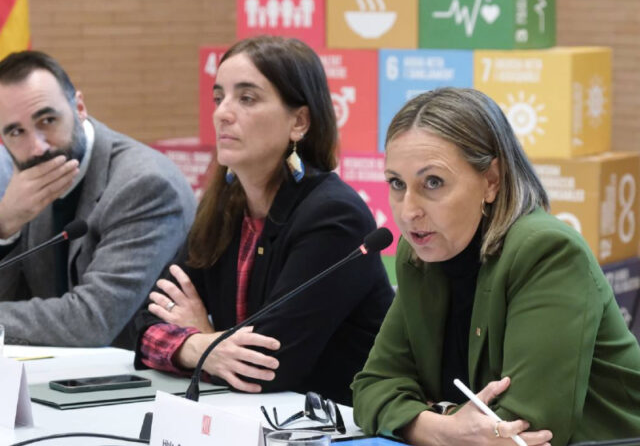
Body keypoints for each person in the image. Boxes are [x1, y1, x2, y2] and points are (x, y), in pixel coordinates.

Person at [352, 88, 640, 445]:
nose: (408, 211)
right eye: (397, 183)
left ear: (491, 181)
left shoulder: (547, 252)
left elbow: (527, 427)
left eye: (433, 182)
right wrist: (443, 429)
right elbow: (371, 387)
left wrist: (425, 415)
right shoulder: (420, 255)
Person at [134, 35, 394, 406]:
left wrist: (199, 339)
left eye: (247, 98)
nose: (222, 113)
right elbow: (145, 325)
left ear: (299, 122)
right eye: (219, 97)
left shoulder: (335, 217)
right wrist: (204, 345)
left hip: (336, 423)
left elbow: (266, 367)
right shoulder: (224, 206)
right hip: (250, 416)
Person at [0, 51, 196, 348]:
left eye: (48, 120)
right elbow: (13, 300)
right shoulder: (27, 184)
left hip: (136, 372)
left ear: (79, 107)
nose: (37, 147)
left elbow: (93, 320)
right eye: (16, 132)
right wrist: (5, 227)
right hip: (59, 369)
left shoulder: (144, 185)